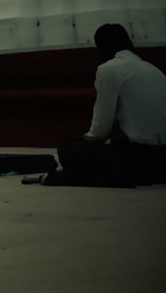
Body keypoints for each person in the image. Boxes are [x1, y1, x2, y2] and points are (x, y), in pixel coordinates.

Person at [53, 24, 166, 186]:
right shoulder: (153, 69)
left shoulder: (109, 69)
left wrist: (82, 142)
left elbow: (99, 131)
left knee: (68, 150)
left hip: (144, 158)